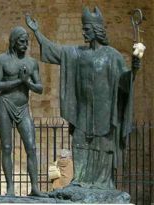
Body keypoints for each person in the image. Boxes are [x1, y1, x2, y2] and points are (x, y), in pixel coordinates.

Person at [26, 7, 143, 190]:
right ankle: (80, 182)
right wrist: (36, 32)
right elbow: (55, 51)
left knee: (103, 148)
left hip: (104, 113)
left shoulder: (112, 56)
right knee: (80, 144)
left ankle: (103, 184)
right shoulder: (77, 54)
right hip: (83, 112)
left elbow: (124, 81)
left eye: (86, 29)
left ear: (96, 31)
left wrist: (134, 70)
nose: (83, 32)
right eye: (83, 29)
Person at [0, 26, 44, 196]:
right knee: (7, 147)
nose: (25, 44)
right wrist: (18, 82)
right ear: (14, 42)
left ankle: (35, 187)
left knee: (31, 147)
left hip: (23, 107)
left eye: (27, 41)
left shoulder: (31, 62)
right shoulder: (1, 60)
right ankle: (10, 188)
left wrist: (26, 83)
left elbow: (40, 88)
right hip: (5, 104)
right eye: (22, 41)